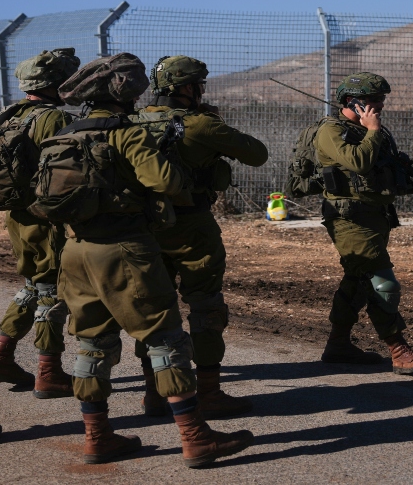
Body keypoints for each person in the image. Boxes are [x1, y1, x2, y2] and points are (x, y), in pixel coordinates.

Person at [34, 53, 253, 467]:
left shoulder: (64, 134)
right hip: (125, 249)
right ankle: (194, 436)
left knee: (92, 343)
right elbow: (165, 181)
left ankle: (97, 436)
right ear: (122, 92)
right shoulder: (126, 133)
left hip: (75, 252)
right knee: (164, 338)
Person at [133, 56, 268, 419]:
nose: (202, 91)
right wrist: (214, 125)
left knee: (152, 309)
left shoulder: (130, 123)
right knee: (205, 306)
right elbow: (258, 154)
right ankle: (208, 393)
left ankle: (154, 394)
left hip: (142, 229)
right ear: (186, 88)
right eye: (199, 85)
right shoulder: (201, 124)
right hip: (192, 227)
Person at [314, 72, 413, 374]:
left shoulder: (371, 131)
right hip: (348, 219)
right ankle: (398, 349)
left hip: (376, 217)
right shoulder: (331, 131)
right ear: (352, 101)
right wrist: (372, 131)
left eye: (381, 100)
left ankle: (338, 345)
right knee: (383, 283)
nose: (379, 105)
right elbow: (357, 163)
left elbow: (381, 174)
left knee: (357, 281)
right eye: (372, 100)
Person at [0, 48, 80, 398]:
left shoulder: (5, 116)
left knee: (34, 285)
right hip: (45, 216)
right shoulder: (52, 119)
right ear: (56, 83)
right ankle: (48, 372)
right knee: (51, 290)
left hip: (17, 216)